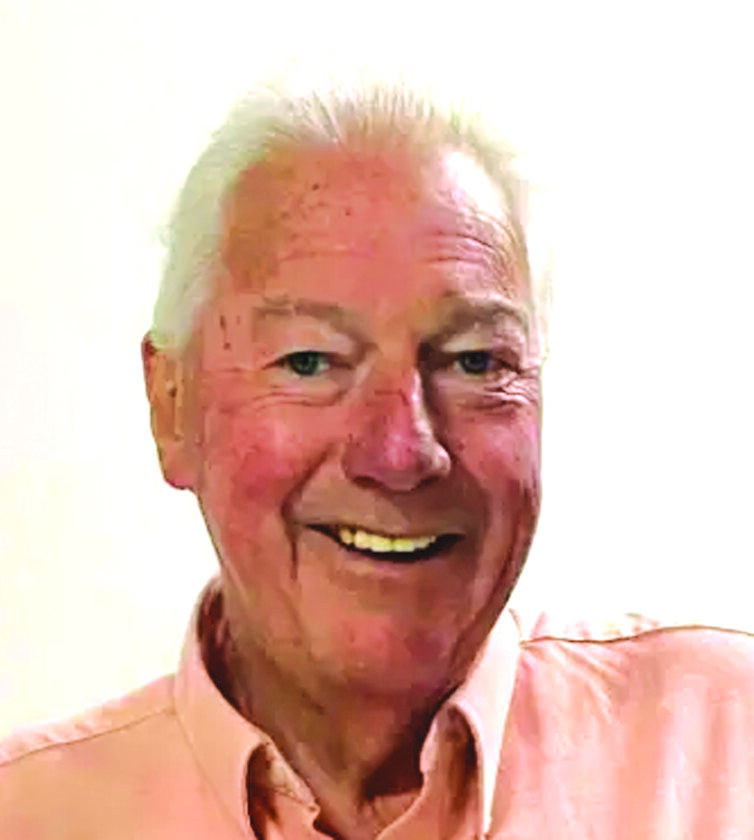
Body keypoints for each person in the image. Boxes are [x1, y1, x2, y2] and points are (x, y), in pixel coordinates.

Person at [1, 79, 753, 840]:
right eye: (309, 361)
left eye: (473, 361)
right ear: (171, 405)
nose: (401, 452)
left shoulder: (725, 745)